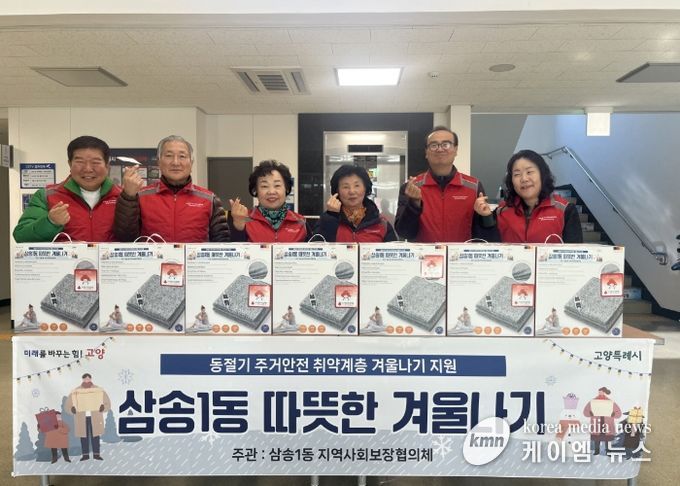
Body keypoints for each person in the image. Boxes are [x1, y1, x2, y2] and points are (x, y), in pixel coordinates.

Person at [114, 135, 229, 243]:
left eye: (182, 156)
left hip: (194, 259)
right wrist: (128, 197)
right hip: (153, 259)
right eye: (169, 156)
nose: (175, 162)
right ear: (159, 162)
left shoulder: (209, 199)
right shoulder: (140, 196)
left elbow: (222, 244)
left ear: (191, 163)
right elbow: (125, 238)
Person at [13, 135, 121, 242]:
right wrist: (50, 222)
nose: (88, 169)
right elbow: (21, 235)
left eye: (95, 162)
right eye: (80, 162)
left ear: (107, 166)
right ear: (70, 164)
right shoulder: (47, 195)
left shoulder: (123, 196)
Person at [395, 126, 488, 242]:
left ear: (455, 150)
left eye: (446, 144)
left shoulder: (474, 187)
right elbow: (404, 233)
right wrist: (414, 204)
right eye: (434, 145)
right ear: (426, 152)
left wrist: (487, 217)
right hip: (424, 253)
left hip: (461, 253)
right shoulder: (411, 187)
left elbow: (484, 236)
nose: (440, 149)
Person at [474, 149, 583, 243]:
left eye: (529, 172)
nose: (524, 179)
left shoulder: (565, 210)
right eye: (517, 174)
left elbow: (575, 254)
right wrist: (486, 217)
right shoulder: (501, 212)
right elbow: (489, 247)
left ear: (542, 175)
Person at [228, 160, 308, 242]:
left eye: (277, 185)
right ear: (255, 190)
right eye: (264, 186)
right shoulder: (243, 219)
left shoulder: (301, 222)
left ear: (286, 188)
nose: (271, 192)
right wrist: (238, 226)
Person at [316, 165, 397, 242]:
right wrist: (332, 217)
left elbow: (394, 251)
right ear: (337, 191)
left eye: (357, 185)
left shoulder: (382, 223)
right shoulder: (326, 220)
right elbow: (317, 249)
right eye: (345, 187)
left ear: (365, 188)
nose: (352, 191)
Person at [65, 373, 111, 461]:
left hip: (95, 417)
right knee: (83, 436)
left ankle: (96, 454)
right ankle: (85, 455)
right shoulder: (76, 391)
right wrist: (72, 409)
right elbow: (68, 405)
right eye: (85, 379)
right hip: (81, 418)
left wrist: (103, 407)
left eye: (88, 379)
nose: (86, 380)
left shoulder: (98, 390)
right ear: (82, 380)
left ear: (91, 379)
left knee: (95, 436)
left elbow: (107, 403)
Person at [583, 386, 622, 455]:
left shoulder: (610, 402)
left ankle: (608, 451)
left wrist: (613, 414)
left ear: (604, 392)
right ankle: (597, 451)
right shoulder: (593, 402)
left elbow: (618, 413)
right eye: (599, 392)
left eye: (601, 392)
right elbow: (585, 412)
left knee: (607, 439)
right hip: (596, 423)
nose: (599, 393)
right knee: (596, 439)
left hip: (607, 423)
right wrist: (590, 413)